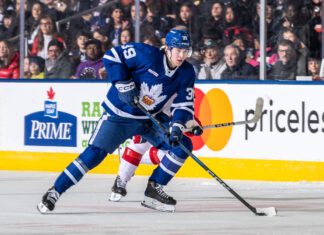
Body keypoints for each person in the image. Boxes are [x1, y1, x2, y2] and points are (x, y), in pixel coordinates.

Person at [37, 26, 196, 213]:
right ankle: (55, 191)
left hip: (149, 118)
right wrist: (123, 83)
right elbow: (112, 56)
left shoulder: (187, 71)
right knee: (94, 154)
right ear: (167, 48)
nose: (182, 55)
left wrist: (177, 125)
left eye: (186, 51)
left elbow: (184, 104)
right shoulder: (146, 54)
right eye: (179, 50)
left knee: (182, 145)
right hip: (119, 115)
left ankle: (154, 189)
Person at [110, 118, 203, 202]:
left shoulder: (178, 100)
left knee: (173, 154)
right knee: (139, 142)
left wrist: (193, 126)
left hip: (163, 128)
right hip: (146, 122)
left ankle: (153, 184)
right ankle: (121, 180)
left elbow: (185, 113)